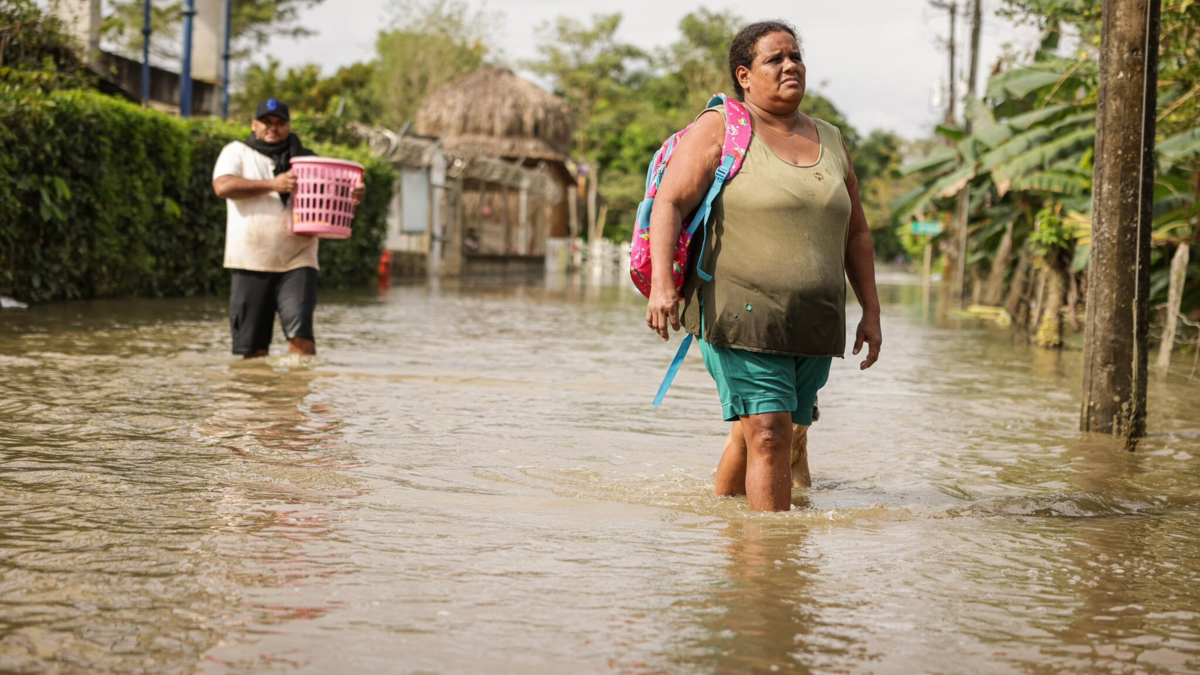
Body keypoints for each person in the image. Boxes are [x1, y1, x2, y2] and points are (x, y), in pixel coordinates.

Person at [645, 21, 882, 512]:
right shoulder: (721, 129)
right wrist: (662, 287)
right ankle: (770, 568)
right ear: (745, 75)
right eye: (775, 59)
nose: (790, 65)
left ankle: (724, 521)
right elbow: (668, 202)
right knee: (771, 435)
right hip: (741, 313)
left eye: (795, 56)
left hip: (814, 322)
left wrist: (872, 313)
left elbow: (856, 233)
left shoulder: (832, 140)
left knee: (773, 433)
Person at [212, 99, 364, 359]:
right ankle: (259, 397)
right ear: (254, 124)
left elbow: (335, 192)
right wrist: (274, 184)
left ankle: (298, 393)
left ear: (289, 125)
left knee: (300, 333)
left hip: (298, 259)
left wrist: (355, 192)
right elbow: (223, 186)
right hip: (250, 260)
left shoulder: (307, 159)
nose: (273, 128)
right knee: (252, 350)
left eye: (280, 123)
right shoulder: (236, 152)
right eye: (266, 122)